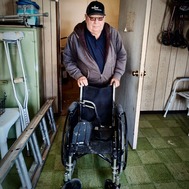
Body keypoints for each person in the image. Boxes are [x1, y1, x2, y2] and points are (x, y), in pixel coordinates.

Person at [63, 1, 127, 88]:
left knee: (108, 102)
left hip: (109, 85)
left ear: (104, 18)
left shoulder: (113, 34)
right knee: (86, 102)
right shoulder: (75, 37)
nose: (96, 22)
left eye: (100, 18)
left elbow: (122, 55)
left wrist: (117, 76)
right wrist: (78, 76)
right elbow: (68, 60)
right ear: (86, 17)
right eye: (92, 18)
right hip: (86, 86)